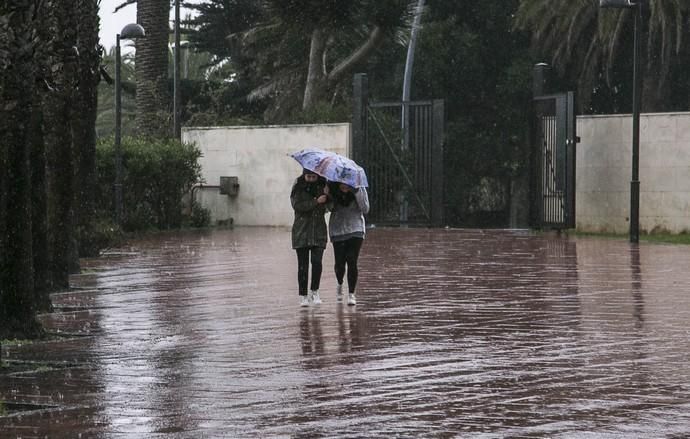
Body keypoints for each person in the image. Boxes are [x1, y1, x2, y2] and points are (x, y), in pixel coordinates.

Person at [291, 168, 330, 307]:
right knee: (303, 265)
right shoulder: (298, 187)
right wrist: (316, 201)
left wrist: (328, 196)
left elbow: (329, 207)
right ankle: (303, 295)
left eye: (314, 177)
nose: (311, 179)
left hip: (318, 232)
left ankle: (315, 291)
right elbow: (297, 205)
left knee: (317, 263)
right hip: (301, 232)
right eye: (308, 176)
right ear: (304, 175)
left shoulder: (323, 186)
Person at [328, 182, 369, 306]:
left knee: (352, 260)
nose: (344, 186)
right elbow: (328, 209)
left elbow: (366, 208)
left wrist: (357, 193)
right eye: (342, 183)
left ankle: (351, 294)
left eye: (347, 183)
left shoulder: (359, 188)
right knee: (340, 265)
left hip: (356, 229)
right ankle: (340, 282)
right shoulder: (332, 189)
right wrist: (328, 195)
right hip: (338, 230)